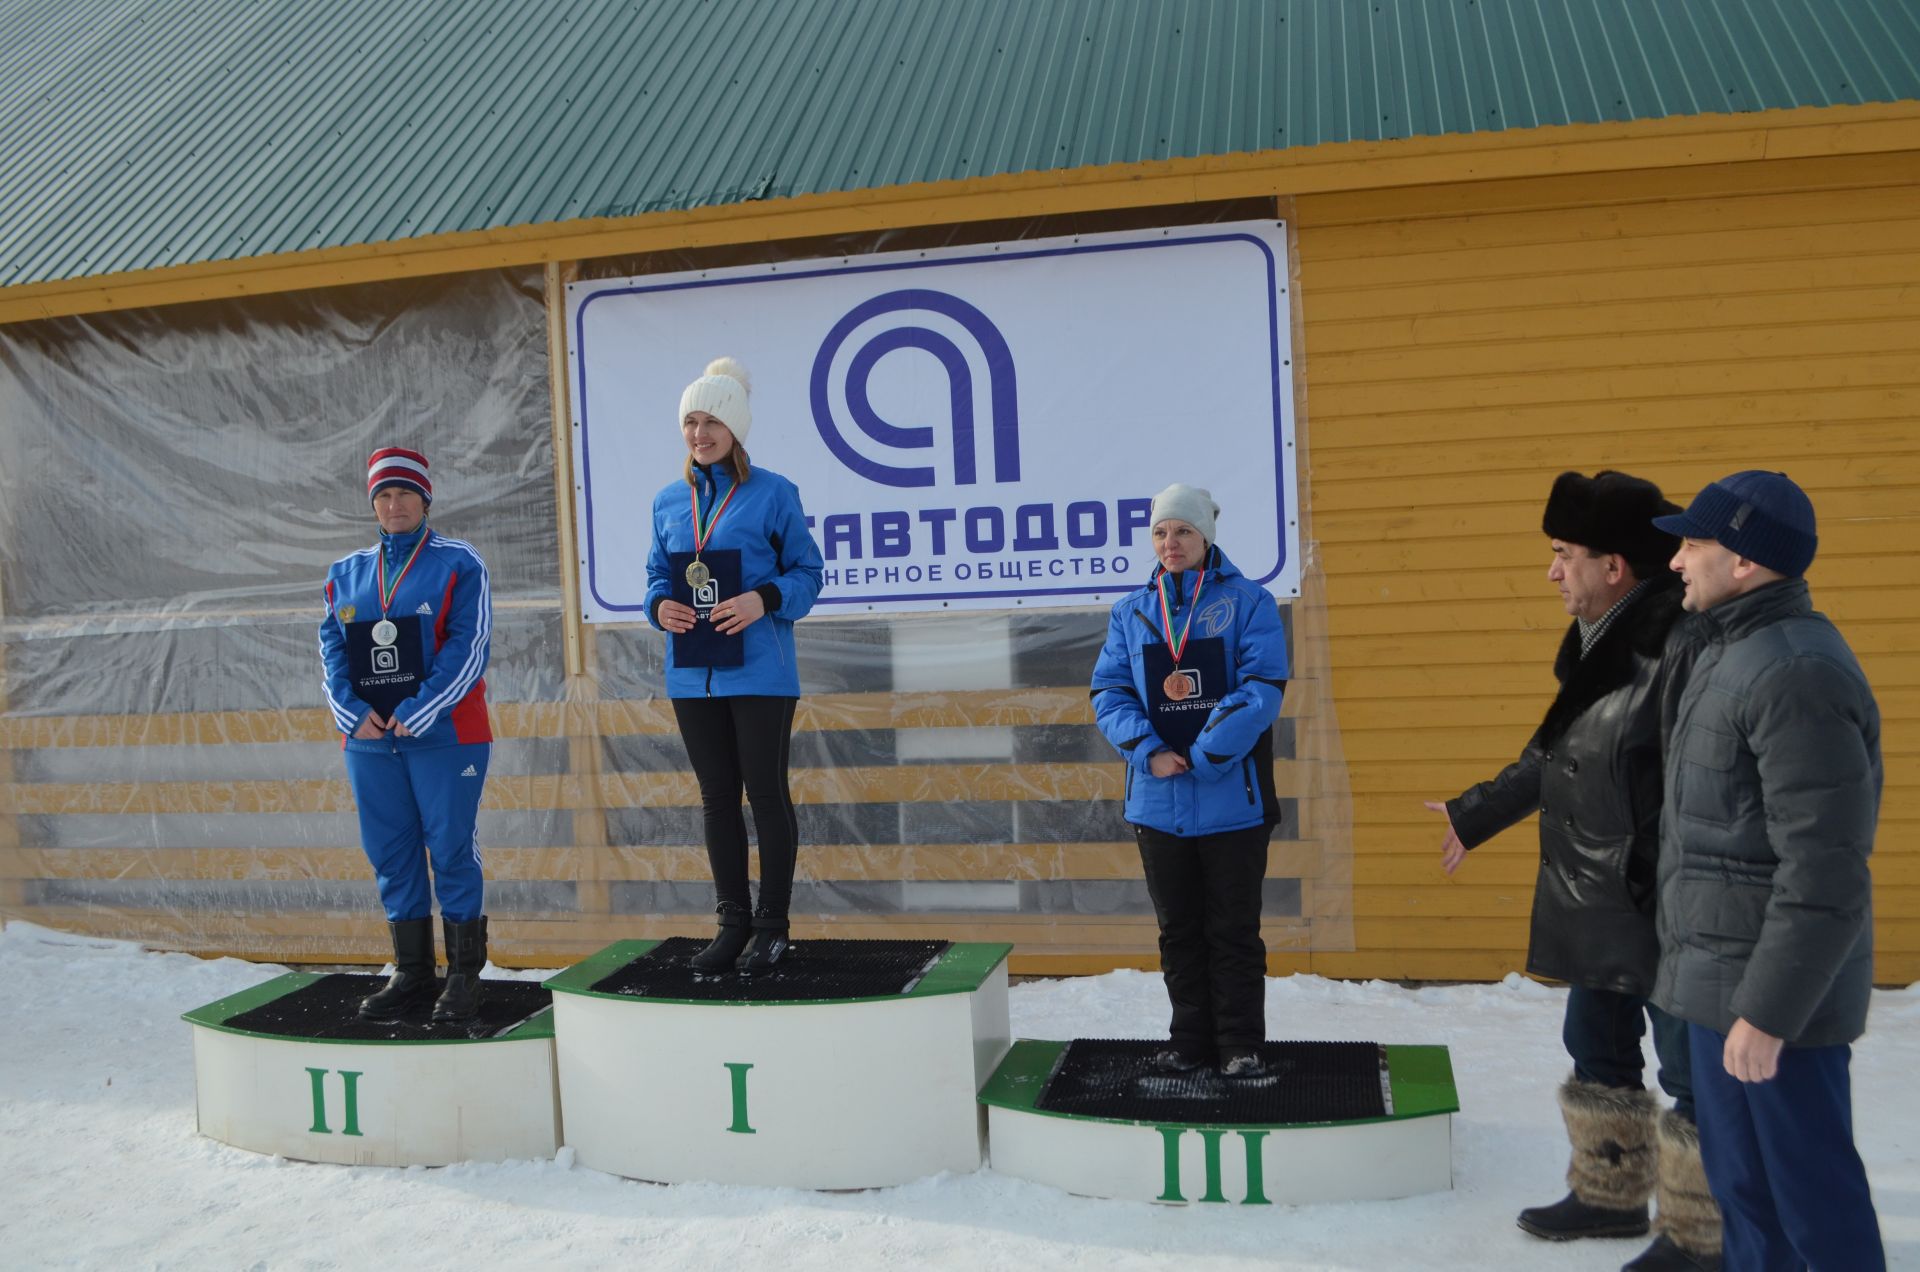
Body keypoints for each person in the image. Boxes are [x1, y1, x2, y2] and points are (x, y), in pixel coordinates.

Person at [1426, 470, 1720, 1272]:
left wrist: (1670, 881)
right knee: (1596, 1047)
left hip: (1657, 897)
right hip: (1596, 889)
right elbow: (1558, 753)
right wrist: (1475, 811)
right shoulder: (1604, 639)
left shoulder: (1676, 645)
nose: (1553, 573)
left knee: (1691, 1073)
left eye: (1564, 555)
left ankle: (1702, 1236)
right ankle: (1610, 1195)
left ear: (1615, 565)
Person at [1650, 470, 1884, 1270]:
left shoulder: (1794, 671)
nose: (1677, 559)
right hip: (1725, 994)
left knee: (1814, 1213)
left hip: (1777, 1010)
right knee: (1749, 1204)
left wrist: (1770, 1013)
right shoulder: (1731, 653)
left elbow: (1824, 868)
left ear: (1744, 560)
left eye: (1693, 542)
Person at [1090, 484, 1289, 1077]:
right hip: (1157, 800)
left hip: (1233, 800)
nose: (1170, 543)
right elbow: (1109, 691)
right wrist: (1148, 750)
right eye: (1160, 532)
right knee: (1178, 932)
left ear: (1206, 536)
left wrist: (1205, 752)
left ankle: (1240, 1045)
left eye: (1182, 531)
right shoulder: (1132, 611)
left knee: (1231, 931)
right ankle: (1189, 1042)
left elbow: (1263, 688)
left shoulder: (1250, 603)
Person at [646, 357, 824, 974]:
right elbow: (653, 576)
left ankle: (772, 925)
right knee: (717, 799)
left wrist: (762, 599)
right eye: (691, 422)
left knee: (766, 794)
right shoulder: (670, 500)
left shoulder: (774, 493)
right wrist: (658, 606)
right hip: (692, 671)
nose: (700, 434)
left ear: (735, 427)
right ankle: (731, 923)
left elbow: (808, 574)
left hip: (761, 672)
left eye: (712, 421)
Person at [320, 446, 494, 1025]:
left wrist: (420, 710)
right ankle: (412, 973)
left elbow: (468, 649)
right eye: (383, 495)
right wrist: (350, 712)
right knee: (391, 854)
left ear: (425, 498)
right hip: (371, 741)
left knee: (449, 847)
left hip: (447, 735)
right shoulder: (344, 574)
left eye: (404, 493)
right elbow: (332, 652)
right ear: (373, 502)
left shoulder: (457, 562)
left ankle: (464, 975)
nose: (394, 504)